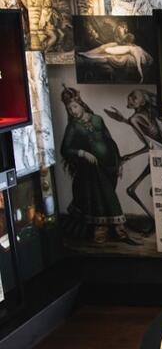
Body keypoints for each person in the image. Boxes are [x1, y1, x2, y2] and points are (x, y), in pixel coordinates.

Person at [59, 85, 138, 245]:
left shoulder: (97, 119)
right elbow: (65, 149)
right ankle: (111, 228)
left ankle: (111, 228)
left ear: (80, 104)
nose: (73, 111)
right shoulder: (73, 126)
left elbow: (109, 141)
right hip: (91, 168)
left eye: (74, 107)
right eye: (69, 109)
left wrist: (119, 162)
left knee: (105, 194)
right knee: (104, 195)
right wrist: (83, 153)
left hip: (109, 165)